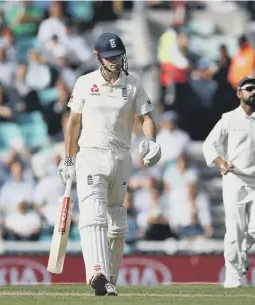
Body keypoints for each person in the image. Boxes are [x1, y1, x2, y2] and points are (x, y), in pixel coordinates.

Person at [57, 32, 161, 296]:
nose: (115, 61)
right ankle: (96, 272)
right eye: (109, 57)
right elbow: (74, 123)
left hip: (121, 157)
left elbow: (146, 117)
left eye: (118, 56)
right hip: (91, 155)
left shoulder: (134, 84)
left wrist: (151, 141)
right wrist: (69, 159)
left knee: (116, 222)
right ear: (98, 57)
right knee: (93, 213)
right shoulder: (84, 83)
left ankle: (108, 280)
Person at [202, 76, 255, 288]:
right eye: (250, 89)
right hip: (235, 178)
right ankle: (232, 275)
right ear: (239, 93)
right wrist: (220, 163)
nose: (254, 92)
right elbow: (210, 145)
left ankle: (243, 248)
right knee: (235, 228)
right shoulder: (228, 119)